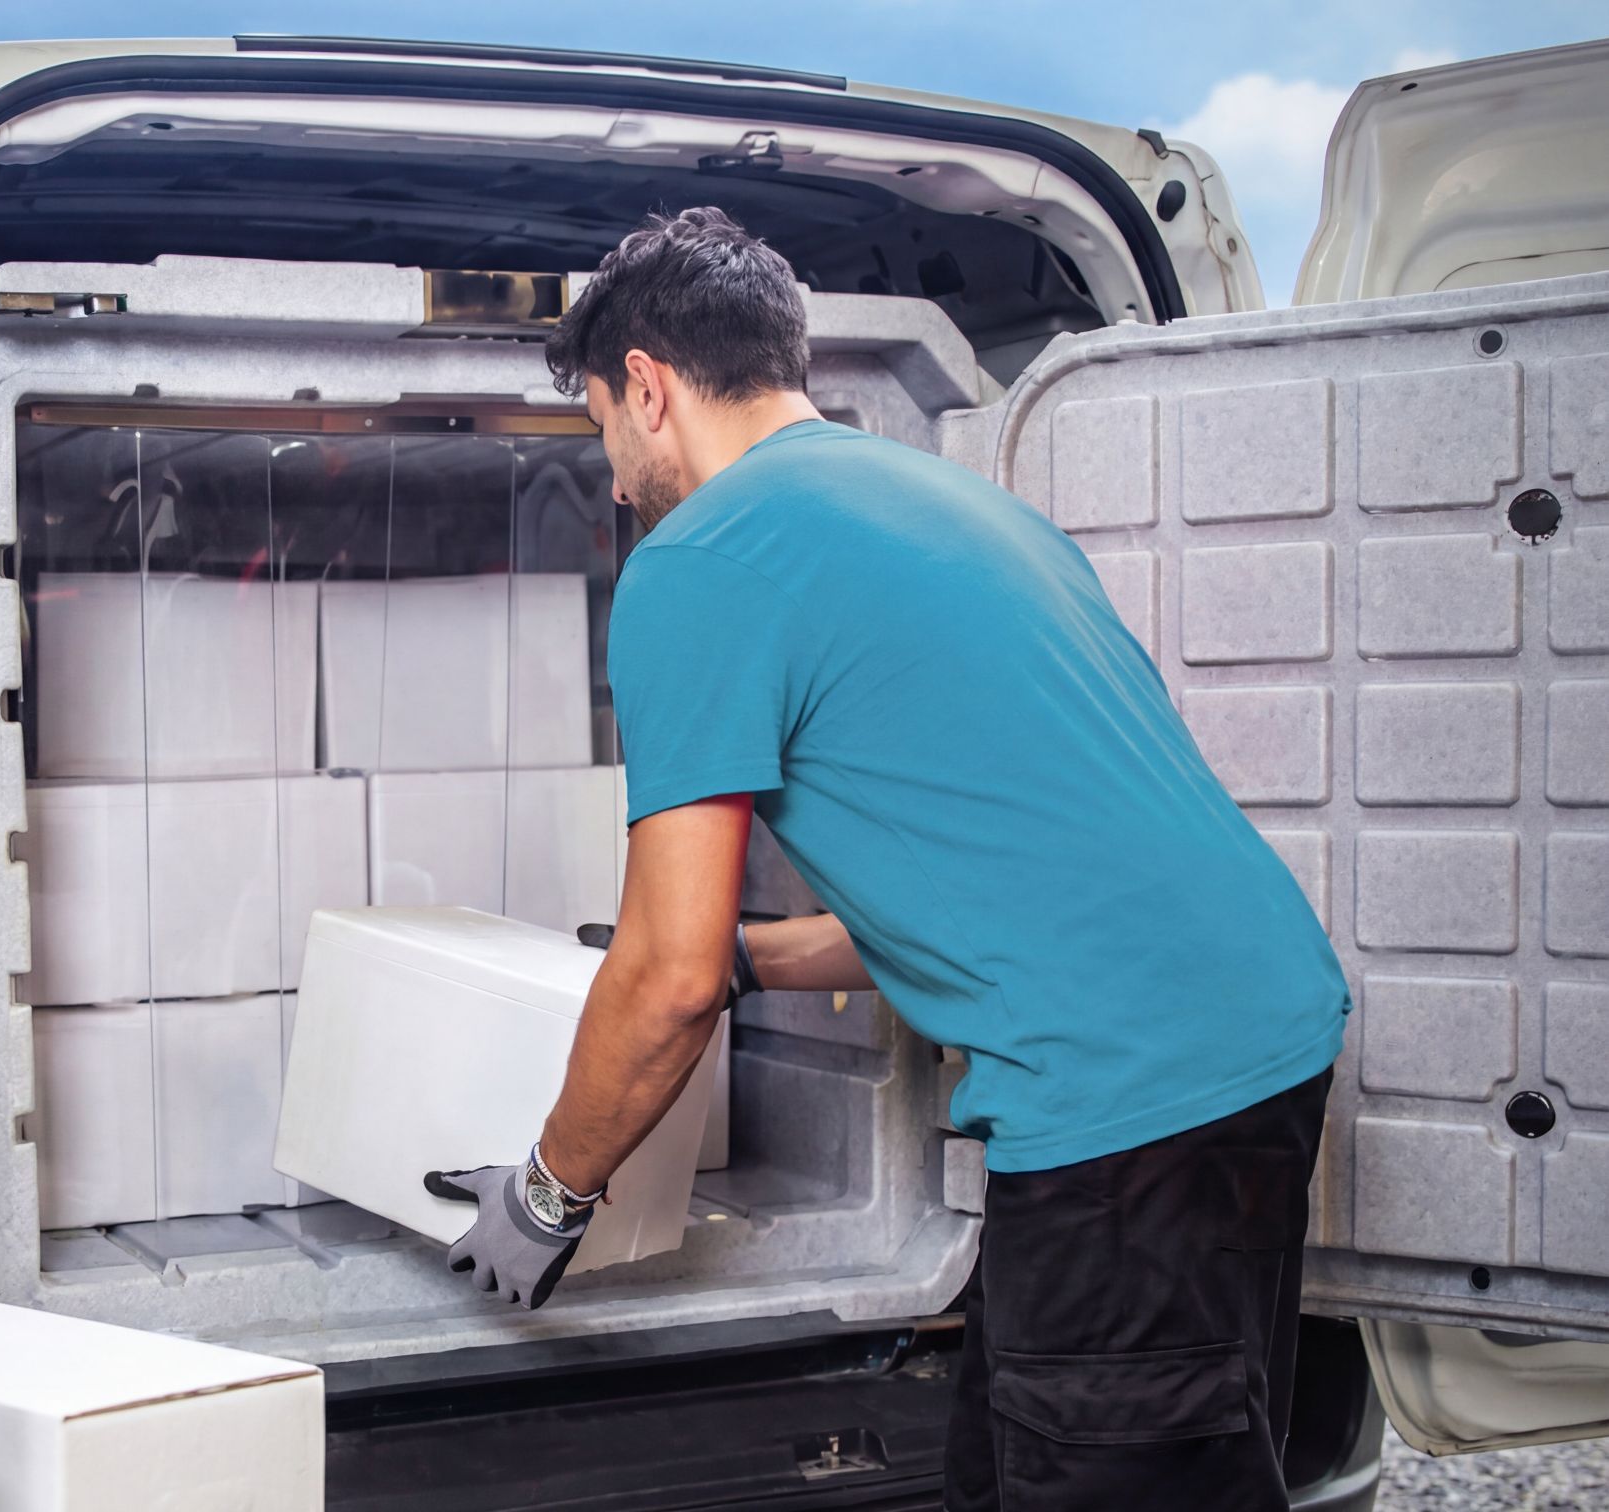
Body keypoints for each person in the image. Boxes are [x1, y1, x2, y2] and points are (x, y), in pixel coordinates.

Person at [422, 207, 1350, 1511]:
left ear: (649, 385)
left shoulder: (700, 562)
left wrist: (551, 1193)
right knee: (1053, 1458)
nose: (617, 478)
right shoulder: (957, 504)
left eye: (602, 431)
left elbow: (664, 978)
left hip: (1124, 1115)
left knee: (1104, 1466)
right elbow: (994, 867)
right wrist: (759, 958)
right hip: (1258, 1046)